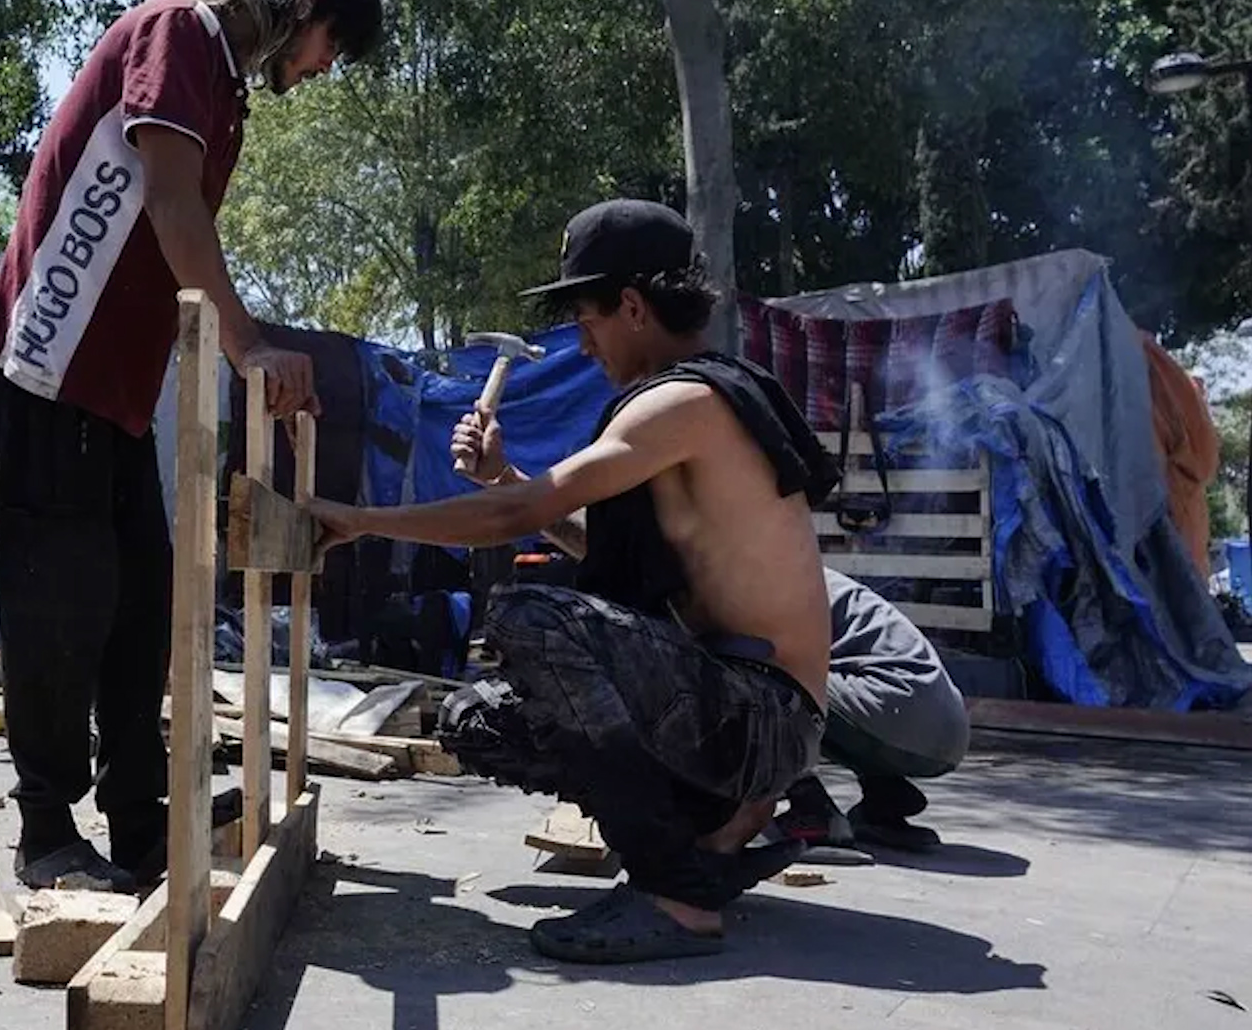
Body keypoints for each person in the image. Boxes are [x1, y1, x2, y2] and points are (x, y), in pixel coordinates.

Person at [306, 198, 841, 963]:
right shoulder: (695, 396)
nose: (583, 345)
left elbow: (511, 518)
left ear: (631, 305)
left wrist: (359, 520)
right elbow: (586, 536)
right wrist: (505, 476)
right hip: (736, 708)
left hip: (763, 719)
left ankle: (678, 892)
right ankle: (706, 838)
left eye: (586, 321)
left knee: (531, 618)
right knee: (477, 718)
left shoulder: (683, 402)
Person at [0, 0, 385, 892]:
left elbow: (181, 226)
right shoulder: (176, 33)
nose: (319, 69)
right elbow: (167, 199)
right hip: (49, 360)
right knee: (61, 602)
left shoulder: (222, 87)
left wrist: (248, 339)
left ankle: (140, 825)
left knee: (141, 609)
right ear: (300, 0)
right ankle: (44, 833)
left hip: (110, 388)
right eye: (327, 46)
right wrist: (248, 346)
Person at [772, 568, 970, 854]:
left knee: (757, 675)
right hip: (950, 733)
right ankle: (884, 800)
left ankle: (810, 808)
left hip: (896, 713)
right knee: (839, 675)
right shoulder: (803, 565)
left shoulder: (762, 578)